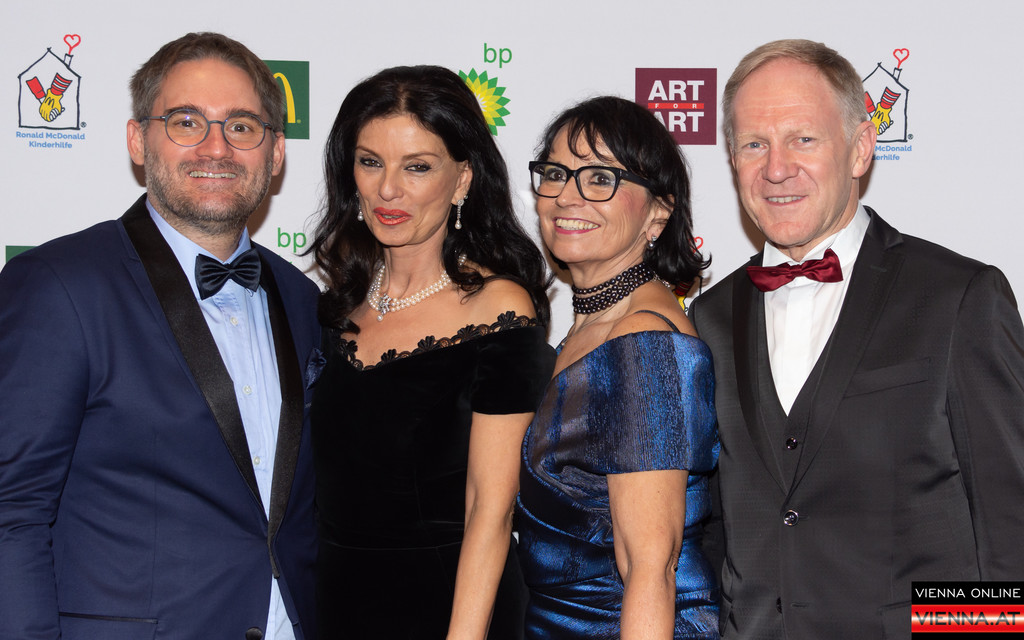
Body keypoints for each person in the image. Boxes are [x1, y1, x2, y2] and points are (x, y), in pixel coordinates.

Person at [688, 39, 1024, 639]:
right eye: (754, 144)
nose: (776, 168)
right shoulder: (709, 316)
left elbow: (1008, 525)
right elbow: (712, 527)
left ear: (861, 148)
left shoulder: (958, 296)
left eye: (803, 139)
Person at [0, 32, 321, 640]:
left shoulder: (302, 300)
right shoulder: (58, 287)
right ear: (137, 140)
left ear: (276, 152)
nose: (216, 147)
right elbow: (12, 511)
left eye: (242, 126)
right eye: (186, 122)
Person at [307, 64, 554, 639]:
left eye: (417, 166)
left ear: (462, 179)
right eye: (371, 162)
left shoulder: (497, 307)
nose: (388, 189)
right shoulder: (335, 305)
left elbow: (490, 511)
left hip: (450, 606)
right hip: (337, 603)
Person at [516, 96, 720, 640]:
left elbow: (650, 568)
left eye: (600, 178)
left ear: (658, 212)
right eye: (555, 173)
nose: (566, 196)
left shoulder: (643, 340)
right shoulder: (591, 330)